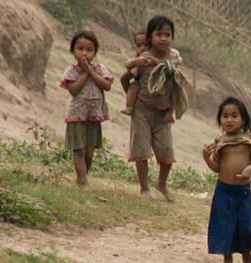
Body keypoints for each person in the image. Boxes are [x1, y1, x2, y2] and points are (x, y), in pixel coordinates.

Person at [128, 15, 189, 202]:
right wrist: (136, 64)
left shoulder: (173, 57)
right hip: (142, 110)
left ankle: (162, 184)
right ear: (150, 37)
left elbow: (179, 67)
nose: (163, 38)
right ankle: (144, 188)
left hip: (164, 113)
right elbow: (128, 69)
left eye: (167, 34)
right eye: (159, 34)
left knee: (167, 153)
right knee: (141, 151)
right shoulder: (145, 57)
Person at [203, 97, 251, 263]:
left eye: (234, 116)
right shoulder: (220, 142)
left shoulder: (249, 140)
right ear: (220, 120)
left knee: (243, 224)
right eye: (225, 116)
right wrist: (206, 158)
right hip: (223, 190)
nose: (229, 120)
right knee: (224, 223)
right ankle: (227, 258)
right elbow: (216, 168)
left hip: (242, 191)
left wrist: (248, 170)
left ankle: (245, 252)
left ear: (243, 119)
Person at [60, 31, 113, 186]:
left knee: (89, 151)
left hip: (94, 115)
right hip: (76, 115)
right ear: (73, 51)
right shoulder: (71, 71)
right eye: (80, 49)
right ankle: (83, 181)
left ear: (95, 52)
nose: (84, 53)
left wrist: (91, 71)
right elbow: (74, 90)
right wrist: (84, 73)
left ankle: (81, 178)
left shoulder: (101, 69)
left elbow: (107, 86)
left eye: (89, 50)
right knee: (78, 149)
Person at [120, 30, 183, 116]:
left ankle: (169, 114)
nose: (142, 48)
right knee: (133, 87)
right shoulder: (139, 56)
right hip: (141, 87)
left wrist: (177, 61)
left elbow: (177, 59)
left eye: (145, 45)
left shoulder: (164, 54)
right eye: (138, 46)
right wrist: (136, 63)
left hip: (161, 89)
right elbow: (127, 70)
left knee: (173, 90)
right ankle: (129, 107)